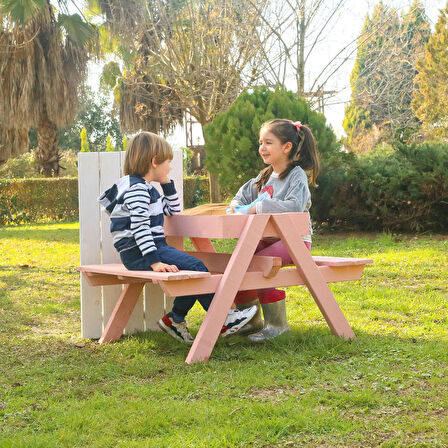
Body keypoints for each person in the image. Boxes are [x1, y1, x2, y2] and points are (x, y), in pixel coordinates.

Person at [98, 131, 257, 345]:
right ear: (154, 161)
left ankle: (175, 319)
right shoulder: (138, 191)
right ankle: (224, 318)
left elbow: (173, 209)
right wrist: (155, 262)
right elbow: (140, 228)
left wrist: (166, 183)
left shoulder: (141, 188)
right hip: (144, 252)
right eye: (168, 162)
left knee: (192, 270)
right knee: (198, 268)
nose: (170, 167)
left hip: (144, 250)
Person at [228, 118, 319, 342]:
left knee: (259, 265)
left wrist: (259, 207)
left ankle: (277, 325)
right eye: (260, 142)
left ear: (286, 147)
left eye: (268, 142)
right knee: (238, 262)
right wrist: (234, 207)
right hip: (266, 238)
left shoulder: (296, 175)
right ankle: (250, 321)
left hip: (294, 241)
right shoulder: (264, 176)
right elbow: (241, 197)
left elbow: (295, 206)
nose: (262, 148)